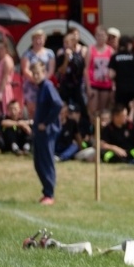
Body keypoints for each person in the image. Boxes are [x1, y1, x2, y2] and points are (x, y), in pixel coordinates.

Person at [30, 60, 63, 204]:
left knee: (46, 161)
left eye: (38, 73)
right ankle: (45, 192)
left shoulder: (48, 86)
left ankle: (50, 194)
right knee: (38, 162)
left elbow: (58, 104)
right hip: (39, 131)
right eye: (34, 73)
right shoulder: (40, 88)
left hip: (48, 131)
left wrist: (46, 122)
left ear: (44, 73)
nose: (36, 76)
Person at [21, 29, 56, 119]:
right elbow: (25, 70)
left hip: (44, 85)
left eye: (40, 38)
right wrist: (36, 80)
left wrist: (42, 81)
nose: (38, 41)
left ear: (44, 40)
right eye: (35, 39)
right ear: (32, 40)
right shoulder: (27, 54)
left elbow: (50, 70)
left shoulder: (50, 53)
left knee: (45, 109)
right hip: (31, 86)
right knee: (32, 111)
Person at [109, 35, 134, 108]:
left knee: (122, 109)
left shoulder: (115, 57)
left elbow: (111, 74)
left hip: (121, 89)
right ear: (129, 45)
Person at [84, 26, 115, 119]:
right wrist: (88, 87)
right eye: (98, 35)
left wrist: (113, 86)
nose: (100, 37)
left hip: (106, 84)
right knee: (93, 111)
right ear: (95, 36)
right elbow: (86, 69)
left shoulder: (111, 51)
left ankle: (101, 131)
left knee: (103, 110)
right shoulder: (90, 49)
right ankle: (92, 131)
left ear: (106, 37)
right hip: (93, 84)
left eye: (103, 35)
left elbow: (113, 70)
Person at [55, 31, 86, 112]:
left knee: (80, 108)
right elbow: (61, 71)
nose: (65, 45)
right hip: (65, 86)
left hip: (77, 87)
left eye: (67, 42)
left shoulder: (78, 57)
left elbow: (79, 71)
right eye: (64, 42)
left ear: (73, 43)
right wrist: (66, 59)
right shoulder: (61, 56)